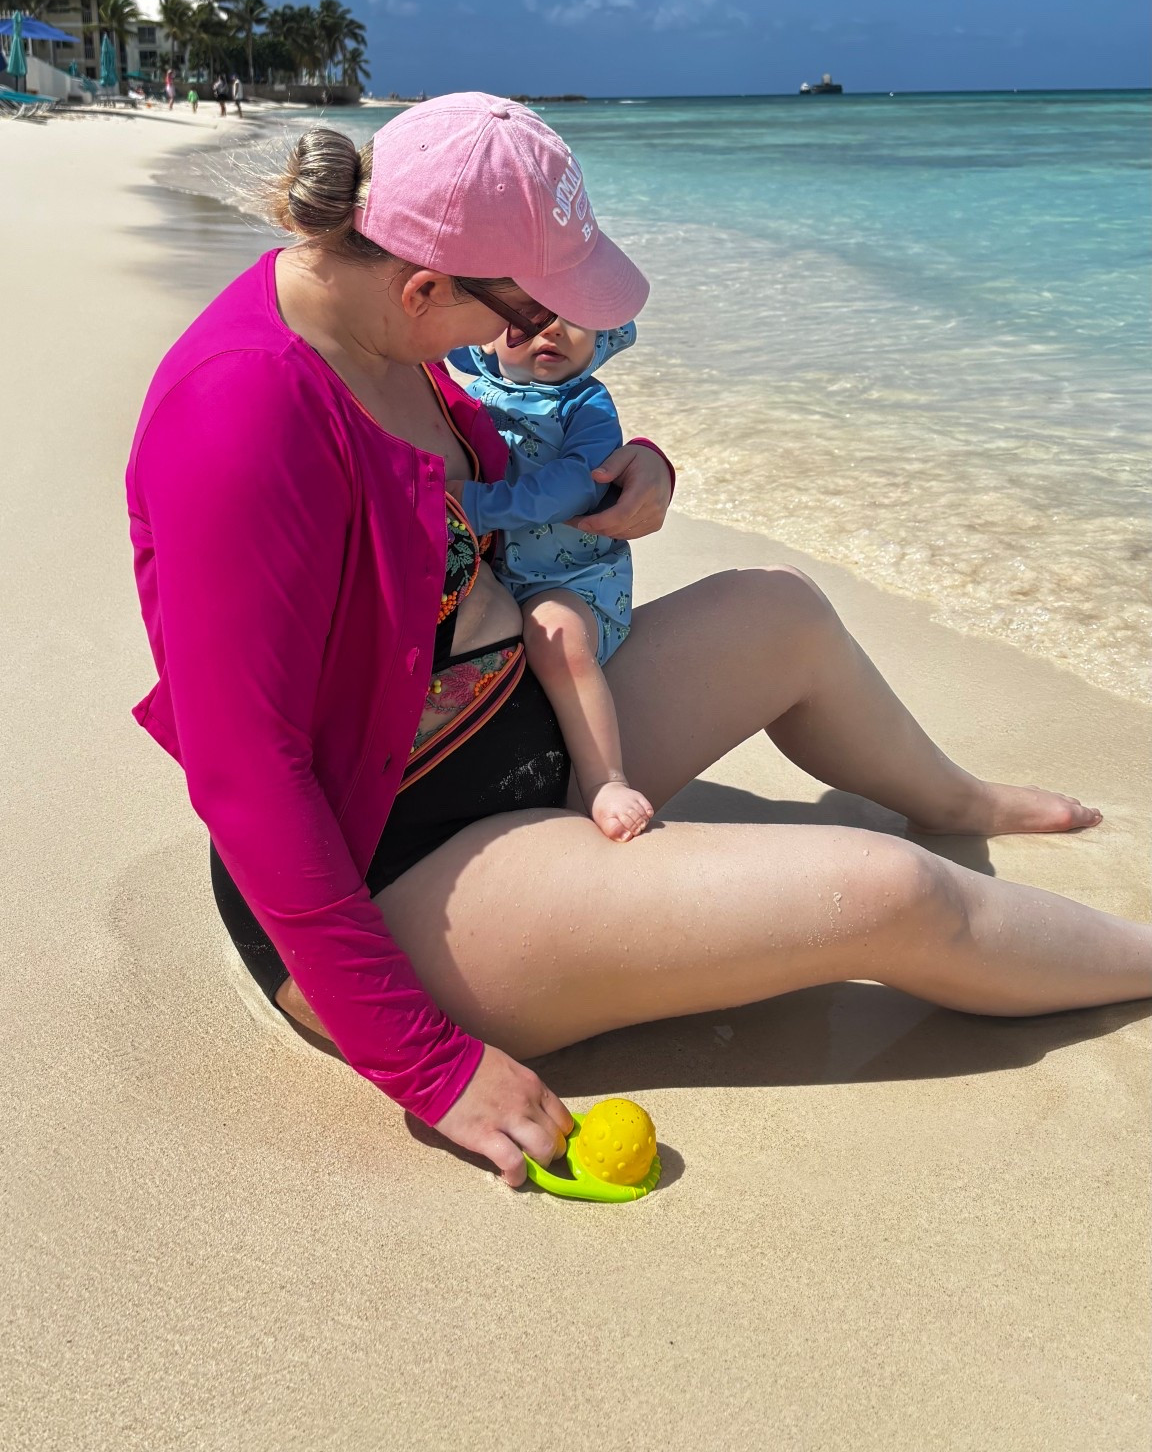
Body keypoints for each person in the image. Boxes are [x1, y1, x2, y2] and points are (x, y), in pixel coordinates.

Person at [126, 93, 1151, 1189]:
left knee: (781, 609)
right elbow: (246, 774)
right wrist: (427, 1060)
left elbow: (509, 467)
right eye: (519, 311)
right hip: (394, 876)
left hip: (515, 721)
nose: (533, 335)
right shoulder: (240, 416)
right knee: (891, 896)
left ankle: (956, 797)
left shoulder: (394, 324)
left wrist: (642, 464)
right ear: (426, 284)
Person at [448, 318, 652, 843]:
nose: (554, 329)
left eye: (575, 318)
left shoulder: (585, 404)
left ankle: (605, 779)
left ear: (602, 339)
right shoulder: (469, 396)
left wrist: (479, 505)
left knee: (553, 635)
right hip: (499, 579)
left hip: (577, 580)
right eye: (531, 315)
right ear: (485, 332)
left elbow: (575, 487)